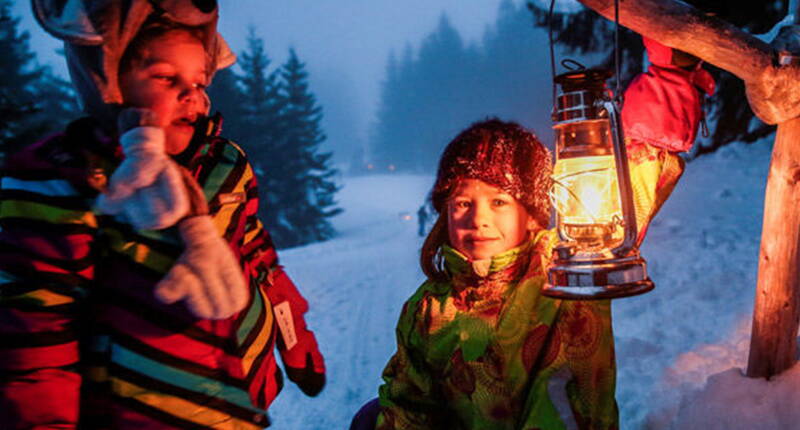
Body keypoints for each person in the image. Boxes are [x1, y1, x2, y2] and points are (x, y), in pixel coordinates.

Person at [352, 37, 714, 430]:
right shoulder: (427, 310)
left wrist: (671, 77)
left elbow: (642, 166)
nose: (478, 218)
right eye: (461, 203)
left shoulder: (566, 268)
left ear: (532, 216)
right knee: (371, 417)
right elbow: (409, 400)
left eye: (499, 202)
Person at [0, 1, 324, 428]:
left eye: (199, 79)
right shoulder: (68, 185)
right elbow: (38, 341)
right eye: (167, 78)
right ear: (109, 81)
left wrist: (291, 331)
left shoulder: (224, 166)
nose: (192, 95)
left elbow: (258, 254)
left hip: (238, 403)